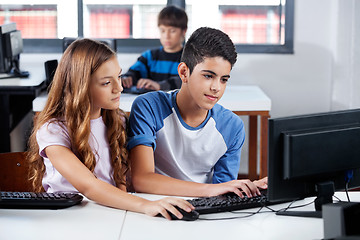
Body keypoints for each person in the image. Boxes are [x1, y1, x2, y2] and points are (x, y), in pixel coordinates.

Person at [27, 38, 193, 220]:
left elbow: (120, 181)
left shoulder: (118, 120)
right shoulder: (53, 130)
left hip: (110, 212)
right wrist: (146, 206)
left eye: (119, 77)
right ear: (80, 87)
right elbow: (89, 186)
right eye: (107, 83)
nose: (119, 88)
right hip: (67, 219)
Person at [128, 27, 268, 198]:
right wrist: (213, 190)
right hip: (154, 207)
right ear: (184, 72)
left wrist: (247, 188)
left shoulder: (232, 126)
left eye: (224, 79)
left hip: (200, 210)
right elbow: (142, 180)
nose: (216, 88)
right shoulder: (149, 107)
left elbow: (223, 193)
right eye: (208, 76)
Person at [122, 5, 188, 91]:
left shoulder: (188, 58)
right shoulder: (149, 56)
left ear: (184, 31)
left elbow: (187, 81)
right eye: (162, 30)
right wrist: (127, 78)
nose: (166, 36)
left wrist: (158, 85)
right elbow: (133, 72)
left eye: (172, 31)